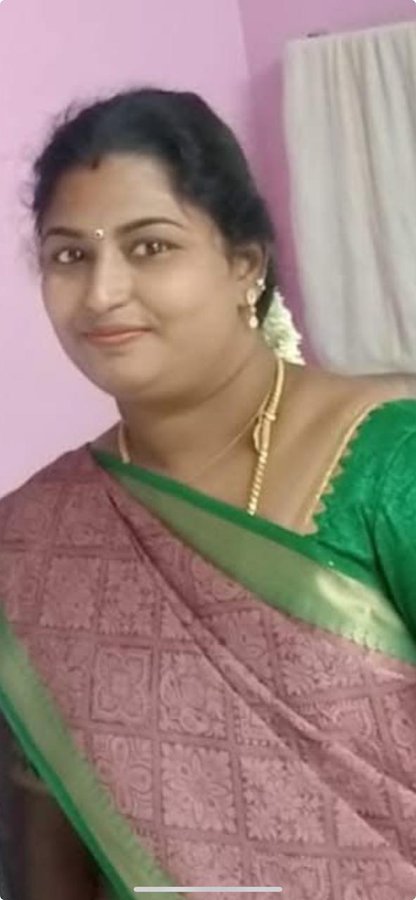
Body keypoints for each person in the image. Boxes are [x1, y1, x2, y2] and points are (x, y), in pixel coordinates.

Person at [0, 88, 416, 900]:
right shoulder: (32, 542)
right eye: (69, 255)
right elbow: (49, 818)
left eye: (149, 247)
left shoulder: (389, 464)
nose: (102, 292)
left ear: (244, 265)